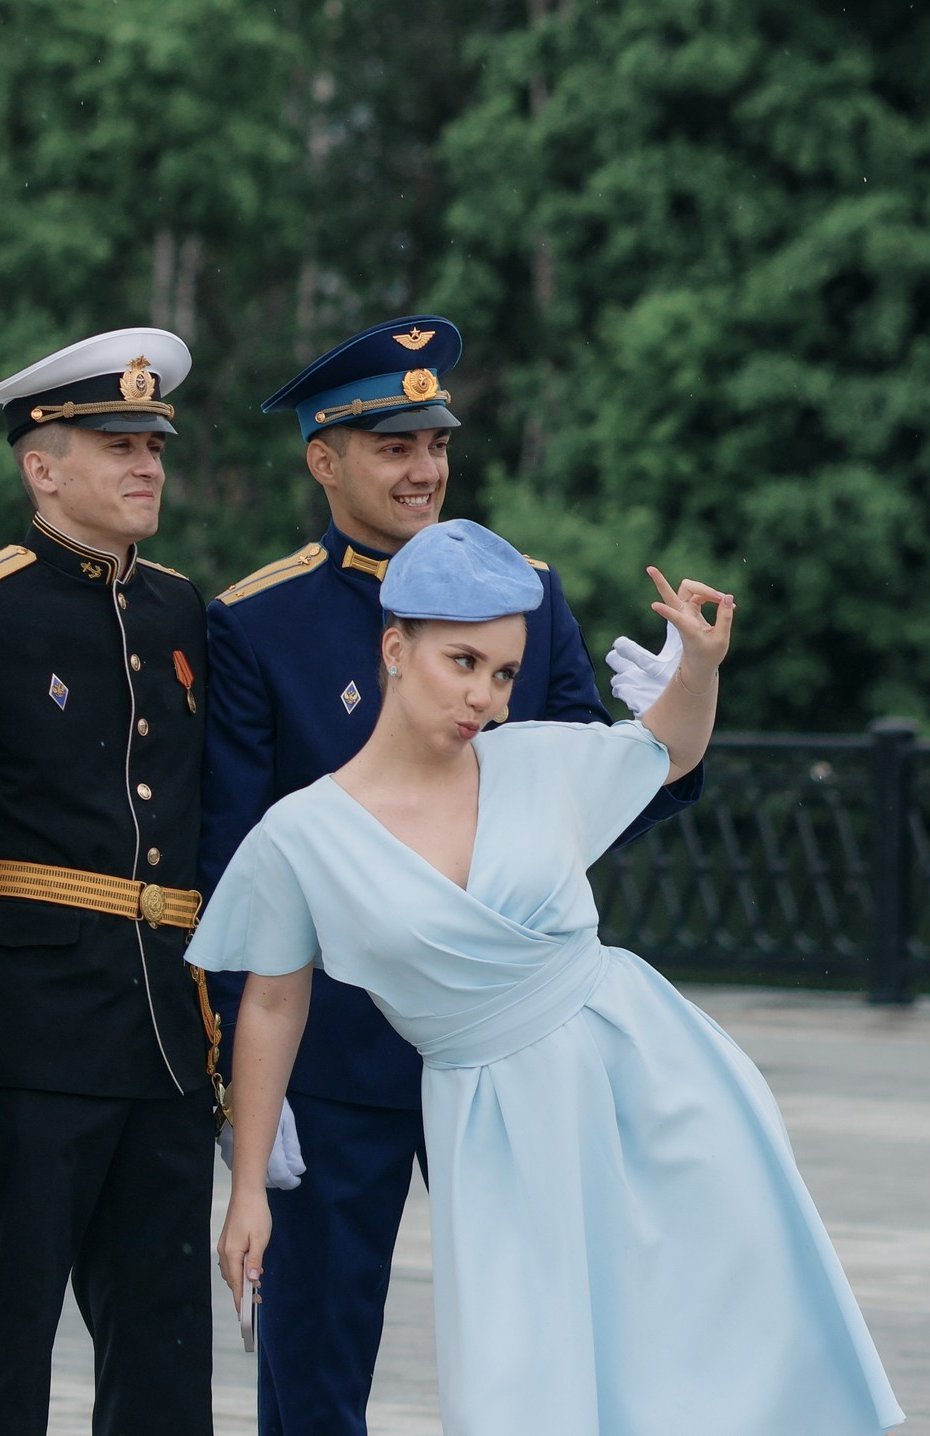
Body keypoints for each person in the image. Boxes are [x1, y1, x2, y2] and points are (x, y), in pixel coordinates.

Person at [204, 520, 904, 1436]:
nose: (485, 699)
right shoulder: (301, 836)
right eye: (463, 663)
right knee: (521, 1380)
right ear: (394, 648)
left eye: (501, 673)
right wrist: (247, 1185)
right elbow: (272, 1001)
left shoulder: (536, 762)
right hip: (487, 1123)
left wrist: (698, 671)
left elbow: (669, 751)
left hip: (647, 1082)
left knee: (698, 1353)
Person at [196, 314, 703, 1432]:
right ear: (322, 458)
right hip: (337, 1055)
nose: (423, 468)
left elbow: (585, 804)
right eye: (391, 445)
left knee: (554, 1335)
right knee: (315, 1360)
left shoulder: (523, 592)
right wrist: (246, 1087)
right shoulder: (258, 620)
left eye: (434, 443)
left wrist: (668, 719)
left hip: (513, 1048)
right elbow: (237, 860)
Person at [0, 330, 218, 1436]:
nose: (146, 465)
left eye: (154, 445)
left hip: (167, 1040)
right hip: (24, 1040)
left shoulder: (183, 613)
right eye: (116, 442)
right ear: (41, 465)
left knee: (168, 1342)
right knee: (6, 1335)